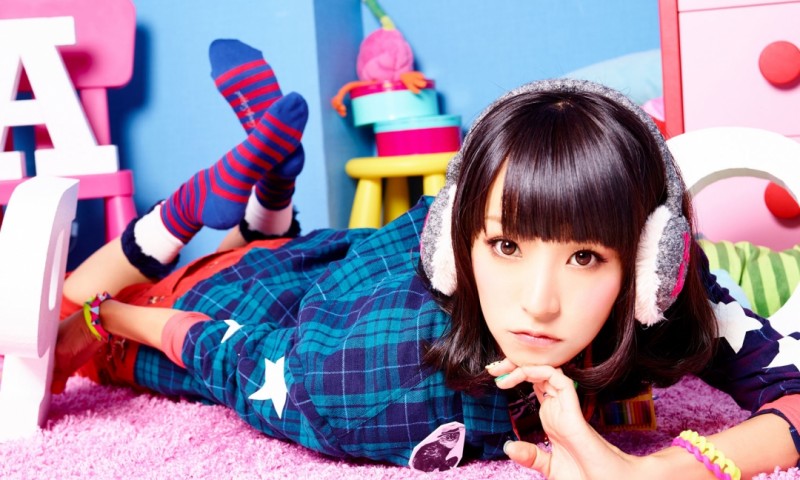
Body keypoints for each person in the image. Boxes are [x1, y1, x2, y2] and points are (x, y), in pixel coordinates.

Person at [51, 39, 800, 477]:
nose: (538, 303)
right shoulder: (369, 385)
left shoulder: (669, 287)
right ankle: (200, 206)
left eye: (585, 258)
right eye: (506, 246)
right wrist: (110, 319)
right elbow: (217, 349)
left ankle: (268, 192)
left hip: (330, 257)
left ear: (650, 262)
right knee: (66, 309)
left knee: (271, 243)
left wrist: (660, 470)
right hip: (233, 305)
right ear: (455, 243)